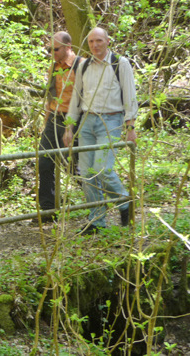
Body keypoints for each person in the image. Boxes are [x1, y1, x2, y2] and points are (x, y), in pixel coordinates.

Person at [63, 27, 138, 234]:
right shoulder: (84, 65)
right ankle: (96, 221)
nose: (95, 45)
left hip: (111, 120)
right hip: (87, 121)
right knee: (86, 173)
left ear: (107, 41)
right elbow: (76, 98)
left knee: (103, 169)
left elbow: (130, 96)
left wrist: (130, 127)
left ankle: (125, 203)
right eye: (91, 42)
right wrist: (70, 127)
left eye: (99, 41)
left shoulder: (119, 64)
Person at [37, 31, 83, 218]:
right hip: (54, 118)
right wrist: (46, 120)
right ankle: (48, 210)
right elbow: (51, 96)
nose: (52, 52)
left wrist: (71, 126)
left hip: (73, 120)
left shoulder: (81, 66)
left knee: (74, 166)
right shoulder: (54, 67)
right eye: (50, 49)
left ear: (68, 47)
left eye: (55, 49)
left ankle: (98, 202)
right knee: (44, 161)